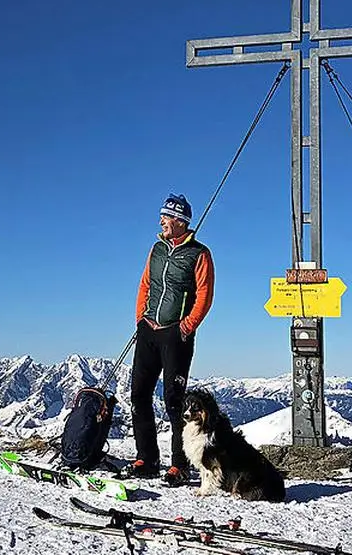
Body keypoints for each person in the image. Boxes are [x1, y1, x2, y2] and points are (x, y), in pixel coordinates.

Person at [123, 193, 215, 485]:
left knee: (174, 402)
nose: (161, 221)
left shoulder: (199, 253)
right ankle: (147, 460)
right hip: (148, 330)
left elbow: (205, 294)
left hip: (176, 335)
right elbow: (146, 283)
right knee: (138, 394)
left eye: (166, 216)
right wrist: (141, 317)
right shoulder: (157, 249)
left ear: (180, 220)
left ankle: (179, 465)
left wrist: (187, 326)